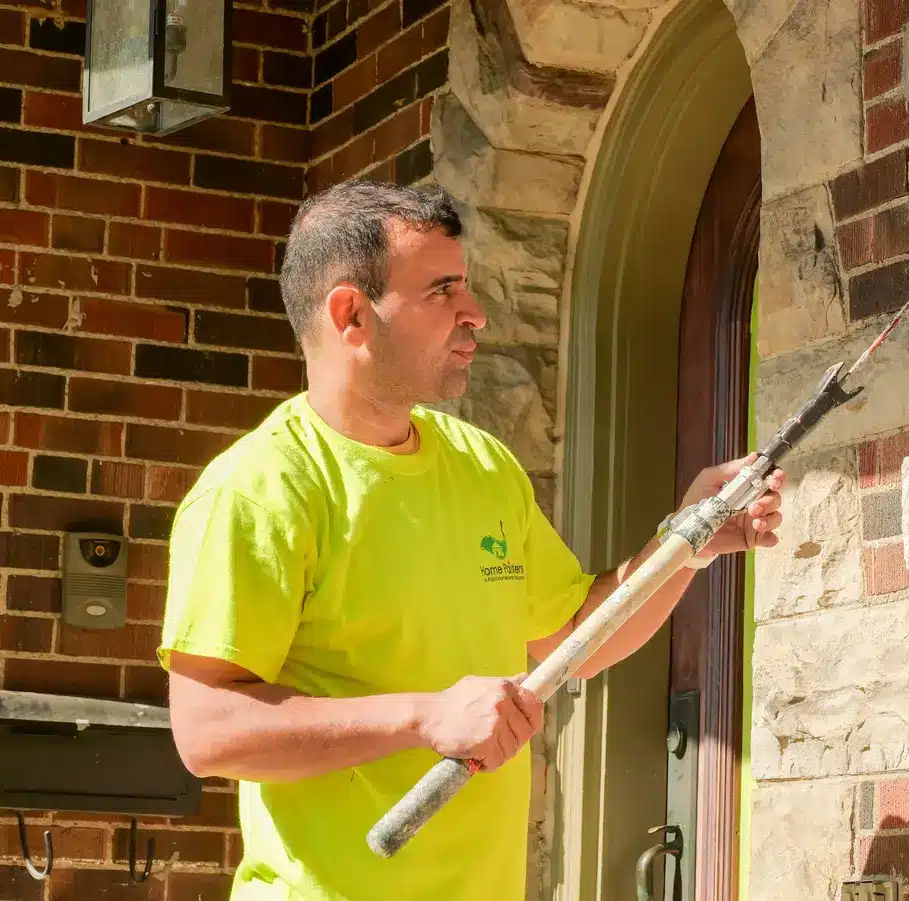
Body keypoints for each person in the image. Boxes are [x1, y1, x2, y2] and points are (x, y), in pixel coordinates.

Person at [158, 178, 786, 901]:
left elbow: (576, 633)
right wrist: (426, 716)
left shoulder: (482, 465)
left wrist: (690, 538)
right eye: (441, 291)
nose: (475, 314)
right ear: (352, 315)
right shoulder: (260, 489)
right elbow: (208, 729)